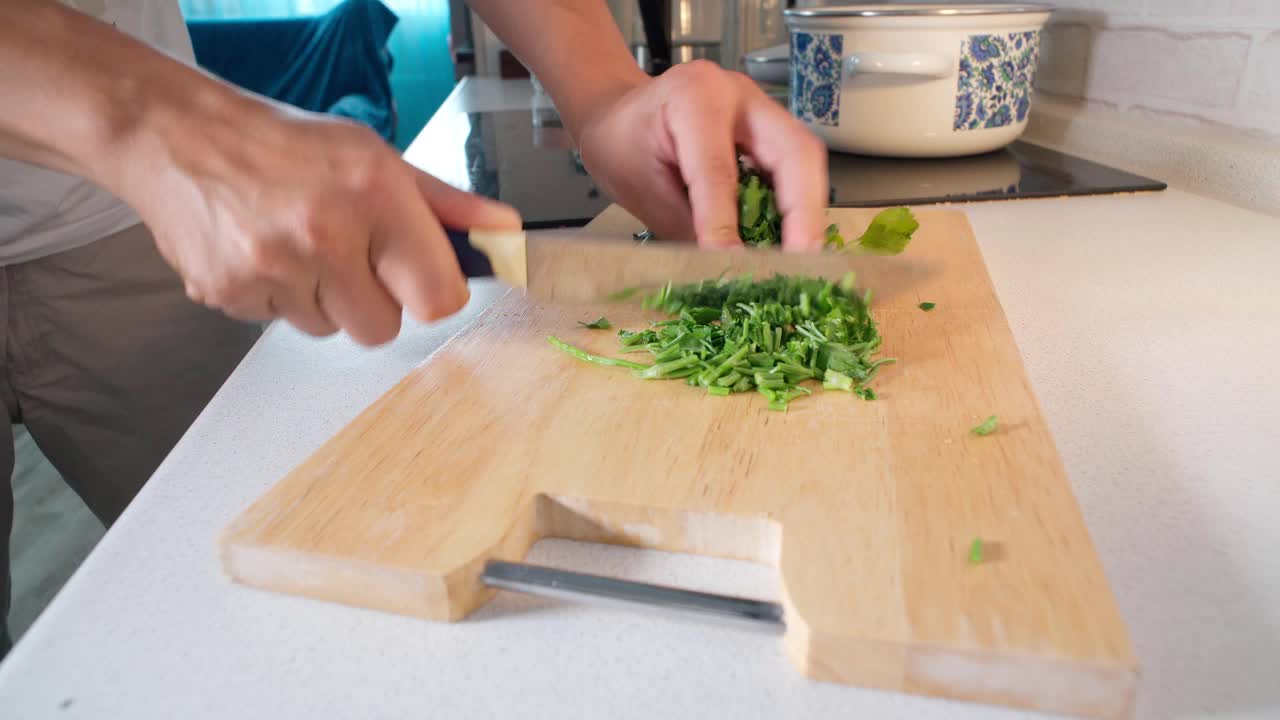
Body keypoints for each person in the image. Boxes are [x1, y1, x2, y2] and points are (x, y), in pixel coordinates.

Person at [0, 0, 828, 654]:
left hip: (117, 226)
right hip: (153, 155)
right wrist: (142, 118)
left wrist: (605, 91)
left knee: (235, 597)